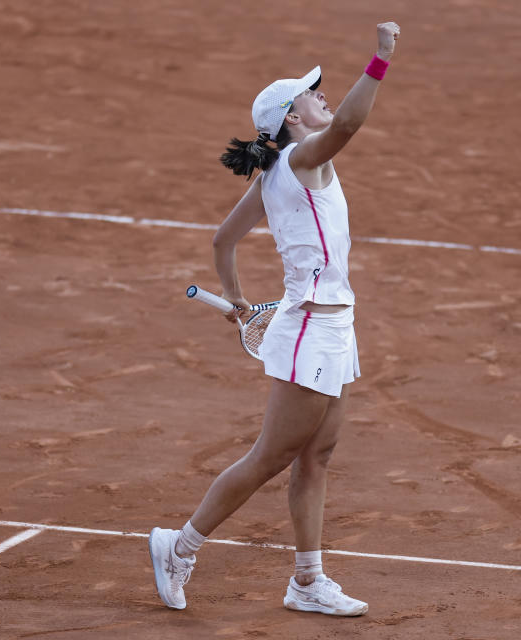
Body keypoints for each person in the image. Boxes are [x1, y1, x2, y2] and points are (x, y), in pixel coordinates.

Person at [149, 21, 401, 616]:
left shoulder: (275, 174)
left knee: (318, 456)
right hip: (311, 327)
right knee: (271, 455)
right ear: (291, 118)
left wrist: (237, 301)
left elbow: (221, 242)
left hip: (335, 324)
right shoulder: (303, 158)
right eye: (311, 92)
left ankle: (307, 583)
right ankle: (178, 546)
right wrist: (381, 59)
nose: (323, 95)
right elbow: (348, 124)